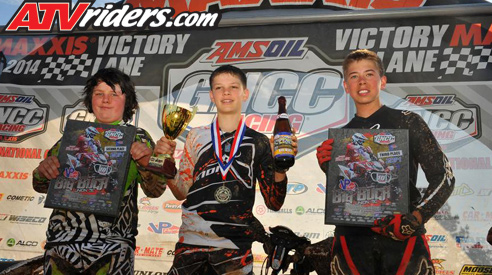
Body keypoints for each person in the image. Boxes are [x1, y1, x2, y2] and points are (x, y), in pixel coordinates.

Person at [316, 49, 455, 274]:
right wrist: (329, 169)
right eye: (354, 76)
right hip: (351, 242)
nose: (362, 81)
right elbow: (348, 192)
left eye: (369, 74)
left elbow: (444, 178)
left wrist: (414, 219)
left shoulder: (408, 122)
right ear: (346, 86)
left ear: (382, 81)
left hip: (403, 240)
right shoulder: (341, 138)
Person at [32, 68, 175, 274]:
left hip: (112, 245)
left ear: (129, 102)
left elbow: (155, 190)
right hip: (62, 242)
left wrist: (145, 163)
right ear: (90, 100)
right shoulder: (71, 137)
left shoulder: (138, 137)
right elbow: (40, 186)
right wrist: (41, 171)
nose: (105, 100)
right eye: (99, 94)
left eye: (114, 94)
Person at [158, 65, 297, 275]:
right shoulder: (195, 136)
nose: (226, 92)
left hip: (234, 249)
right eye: (219, 88)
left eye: (233, 87)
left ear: (245, 93)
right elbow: (181, 192)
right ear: (211, 96)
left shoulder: (259, 142)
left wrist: (280, 167)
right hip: (190, 245)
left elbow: (274, 202)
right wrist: (167, 168)